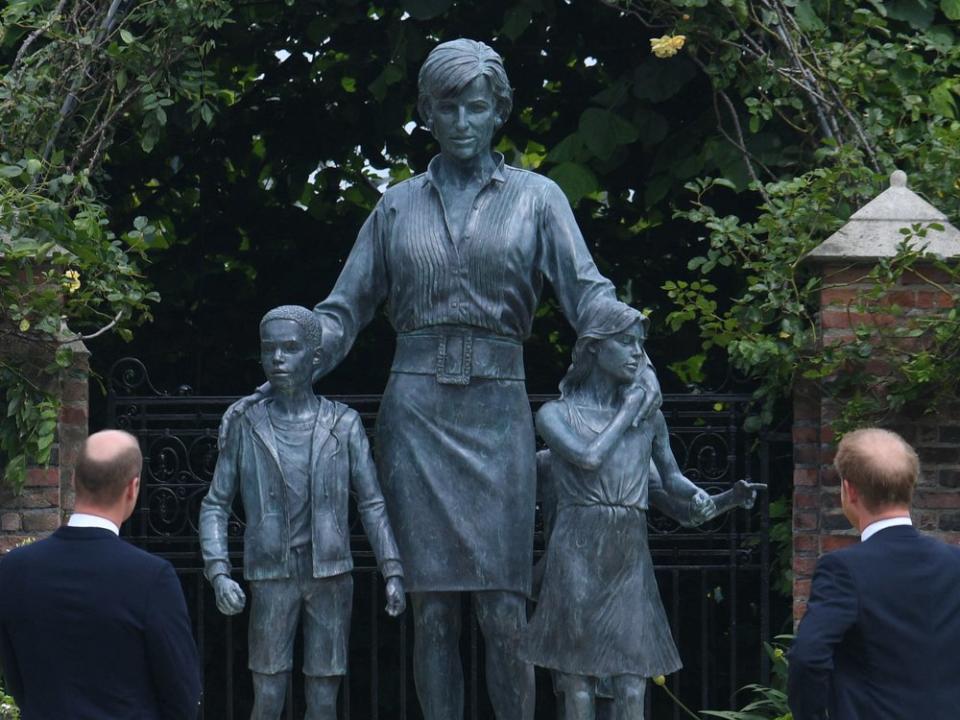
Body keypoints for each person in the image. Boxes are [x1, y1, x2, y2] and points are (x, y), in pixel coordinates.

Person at [223, 39, 643, 720]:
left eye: (477, 107)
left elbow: (586, 292)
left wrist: (624, 328)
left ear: (498, 111)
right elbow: (343, 311)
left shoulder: (539, 199)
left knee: (505, 609)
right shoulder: (396, 207)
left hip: (499, 408)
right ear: (427, 112)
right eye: (448, 107)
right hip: (416, 415)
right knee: (433, 612)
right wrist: (302, 354)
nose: (463, 121)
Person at [519, 301, 759, 719]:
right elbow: (588, 458)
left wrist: (720, 498)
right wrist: (629, 409)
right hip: (577, 549)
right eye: (626, 343)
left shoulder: (650, 421)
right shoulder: (556, 414)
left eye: (640, 346)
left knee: (633, 681)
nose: (637, 354)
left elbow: (674, 484)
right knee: (578, 681)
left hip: (628, 555)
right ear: (594, 349)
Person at [200, 305, 405, 720]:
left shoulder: (343, 424)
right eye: (269, 349)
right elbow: (215, 504)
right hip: (271, 574)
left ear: (314, 357)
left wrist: (393, 570)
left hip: (330, 575)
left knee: (324, 700)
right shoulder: (246, 424)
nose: (277, 359)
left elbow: (371, 502)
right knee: (269, 694)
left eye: (289, 348)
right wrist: (218, 571)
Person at [0, 429, 202, 719]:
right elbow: (182, 694)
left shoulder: (14, 569)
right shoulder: (151, 578)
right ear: (133, 488)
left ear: (73, 480)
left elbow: (16, 678)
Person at [789, 427, 960, 720]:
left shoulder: (842, 570)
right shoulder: (954, 563)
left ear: (850, 489)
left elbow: (808, 658)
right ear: (911, 484)